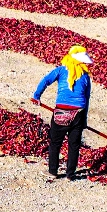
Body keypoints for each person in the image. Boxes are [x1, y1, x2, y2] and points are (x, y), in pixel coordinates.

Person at [32, 45, 93, 180]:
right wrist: (84, 120)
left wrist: (37, 96)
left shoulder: (60, 70)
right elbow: (87, 97)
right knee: (74, 144)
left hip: (61, 112)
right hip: (79, 112)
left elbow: (46, 80)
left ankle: (53, 172)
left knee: (55, 142)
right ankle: (70, 174)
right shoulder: (85, 76)